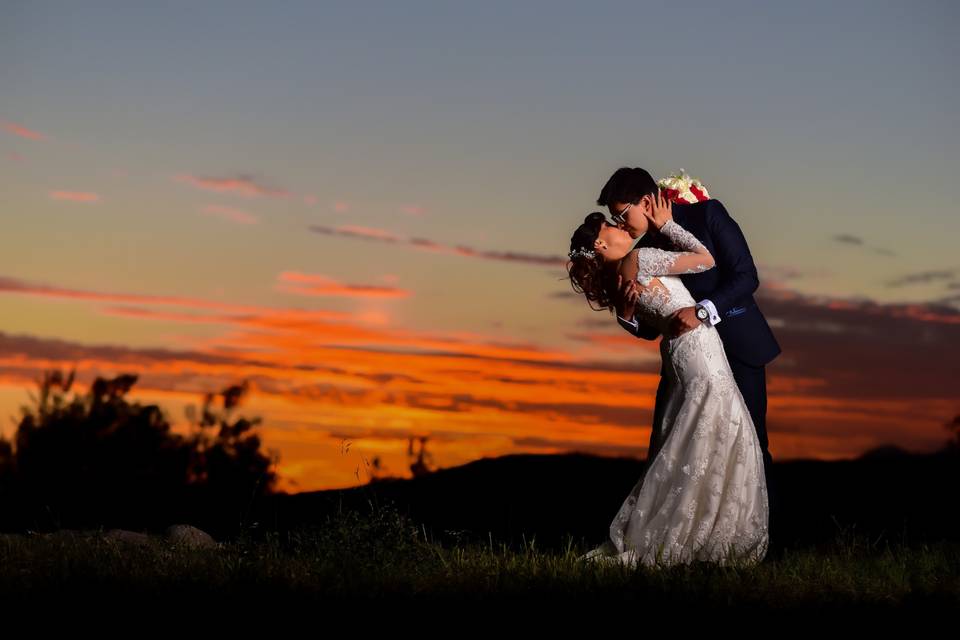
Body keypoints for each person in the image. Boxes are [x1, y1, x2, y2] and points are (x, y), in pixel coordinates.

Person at [567, 181, 772, 568]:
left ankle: (705, 531)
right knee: (702, 439)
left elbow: (744, 275)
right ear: (599, 245)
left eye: (620, 215)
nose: (620, 224)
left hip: (710, 345)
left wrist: (638, 313)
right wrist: (670, 232)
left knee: (713, 441)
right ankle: (705, 537)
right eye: (612, 223)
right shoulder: (639, 257)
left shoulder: (696, 221)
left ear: (645, 201)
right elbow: (702, 263)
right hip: (696, 354)